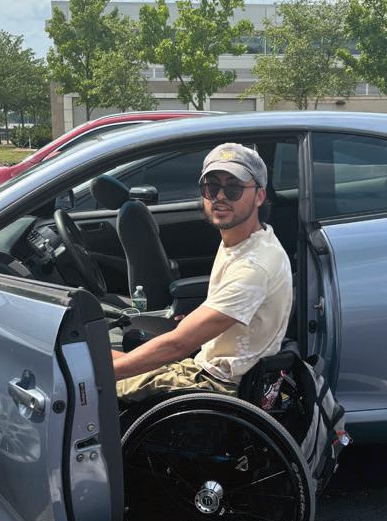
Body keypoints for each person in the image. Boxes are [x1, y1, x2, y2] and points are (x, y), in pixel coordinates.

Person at [113, 143, 292, 403]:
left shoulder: (255, 266)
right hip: (207, 365)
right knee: (99, 356)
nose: (220, 197)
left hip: (219, 385)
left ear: (259, 196)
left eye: (233, 188)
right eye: (212, 187)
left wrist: (103, 375)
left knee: (94, 387)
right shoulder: (246, 241)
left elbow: (178, 345)